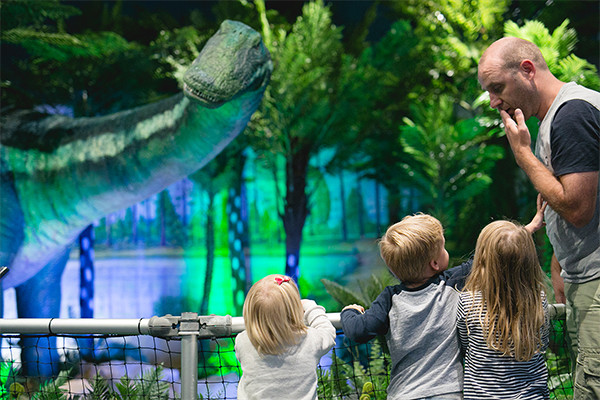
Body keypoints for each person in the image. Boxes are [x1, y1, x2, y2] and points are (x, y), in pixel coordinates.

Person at [478, 36, 599, 399]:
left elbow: (577, 208)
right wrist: (559, 264)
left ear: (527, 70)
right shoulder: (556, 117)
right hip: (584, 278)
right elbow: (557, 204)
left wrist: (524, 155)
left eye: (497, 88)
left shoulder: (572, 115)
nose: (493, 101)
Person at [341, 213, 471, 400]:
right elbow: (487, 259)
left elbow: (358, 331)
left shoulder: (390, 299)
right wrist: (526, 230)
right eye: (443, 248)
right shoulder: (451, 283)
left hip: (404, 394)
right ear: (435, 264)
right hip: (447, 393)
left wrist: (349, 311)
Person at [457, 220, 550, 399]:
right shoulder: (539, 300)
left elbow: (465, 345)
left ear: (483, 259)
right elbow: (543, 343)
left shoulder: (468, 301)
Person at [234, 274, 336, 400]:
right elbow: (328, 332)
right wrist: (310, 306)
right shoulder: (310, 340)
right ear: (296, 309)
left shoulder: (242, 341)